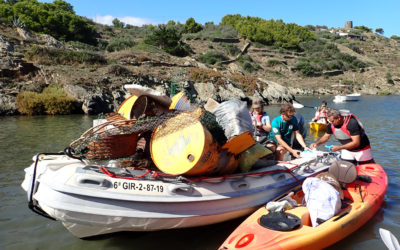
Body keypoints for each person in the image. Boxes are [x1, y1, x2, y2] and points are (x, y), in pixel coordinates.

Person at [310, 109, 374, 165]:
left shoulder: (351, 123)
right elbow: (326, 136)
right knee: (346, 169)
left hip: (362, 150)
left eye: (332, 121)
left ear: (338, 118)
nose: (331, 123)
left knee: (366, 170)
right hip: (347, 150)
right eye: (329, 121)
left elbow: (356, 143)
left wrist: (339, 148)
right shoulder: (331, 125)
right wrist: (316, 143)